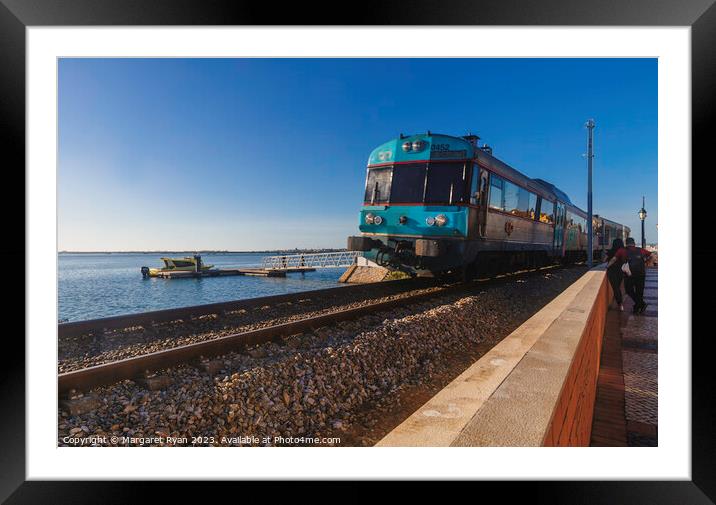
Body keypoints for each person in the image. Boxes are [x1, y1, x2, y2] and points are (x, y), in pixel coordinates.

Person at [623, 237, 652, 314]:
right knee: (639, 291)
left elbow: (614, 259)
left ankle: (640, 305)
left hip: (629, 274)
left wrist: (608, 266)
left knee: (629, 290)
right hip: (641, 274)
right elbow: (650, 255)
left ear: (626, 243)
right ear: (634, 243)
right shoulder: (640, 250)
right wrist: (647, 262)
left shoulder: (623, 250)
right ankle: (639, 306)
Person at [605, 238, 627, 311]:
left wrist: (607, 266)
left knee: (615, 288)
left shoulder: (611, 252)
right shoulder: (624, 251)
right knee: (617, 287)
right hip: (621, 271)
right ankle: (618, 303)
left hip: (612, 271)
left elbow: (605, 260)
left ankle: (620, 304)